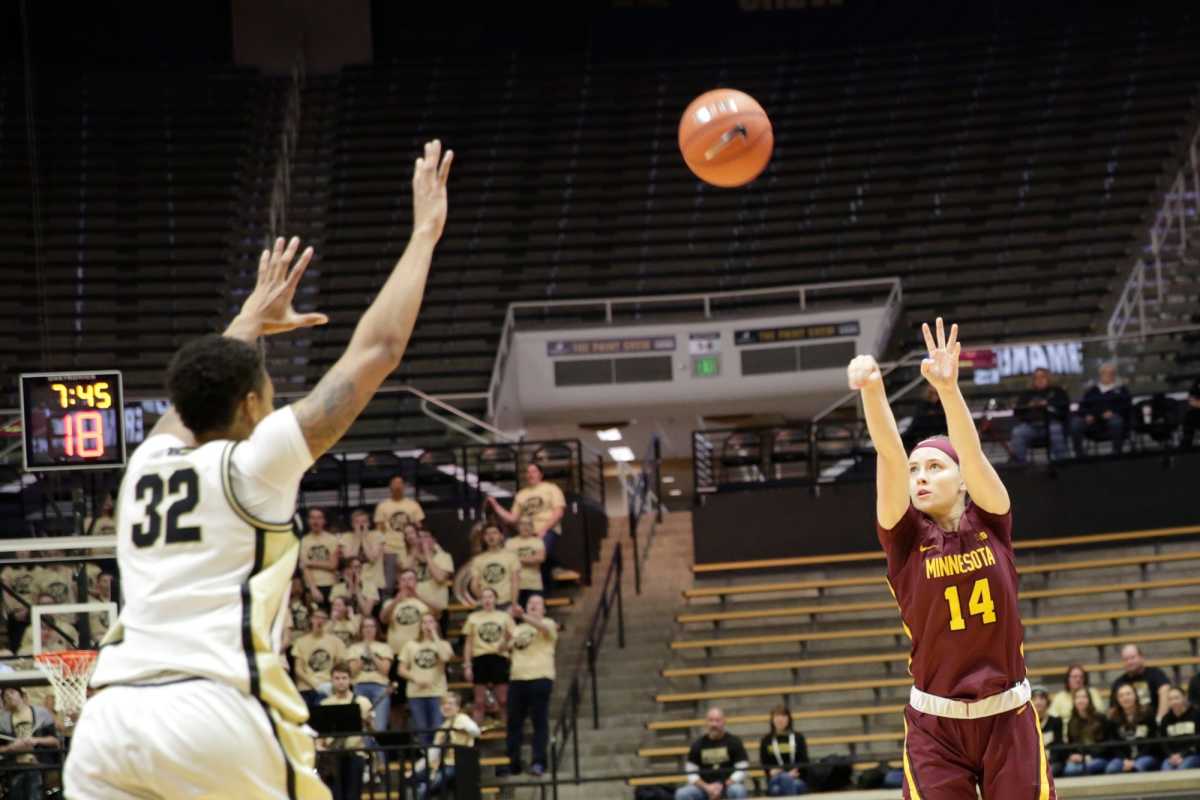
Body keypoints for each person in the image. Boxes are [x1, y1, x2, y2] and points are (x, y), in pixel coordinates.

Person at [66, 142, 452, 798]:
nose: (274, 396)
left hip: (109, 723)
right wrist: (424, 233)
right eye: (269, 387)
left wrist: (248, 318)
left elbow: (189, 402)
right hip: (214, 711)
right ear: (250, 405)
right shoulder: (256, 464)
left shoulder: (145, 466)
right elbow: (378, 350)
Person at [848, 317, 1055, 798]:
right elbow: (889, 455)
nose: (919, 476)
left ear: (962, 480)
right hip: (935, 725)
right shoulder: (903, 538)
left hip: (1008, 715)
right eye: (916, 469)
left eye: (935, 467)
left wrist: (947, 389)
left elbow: (972, 452)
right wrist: (873, 393)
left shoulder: (992, 520)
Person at [487, 463, 566, 592]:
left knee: (540, 553)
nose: (530, 474)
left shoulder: (551, 488)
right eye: (528, 472)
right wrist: (495, 505)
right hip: (526, 533)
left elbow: (559, 512)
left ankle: (545, 590)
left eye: (534, 471)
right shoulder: (521, 494)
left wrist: (544, 529)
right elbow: (512, 518)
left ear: (541, 474)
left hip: (548, 529)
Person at [506, 594, 558, 777]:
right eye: (530, 603)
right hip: (517, 678)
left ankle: (539, 762)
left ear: (544, 609)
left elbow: (542, 627)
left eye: (538, 603)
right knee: (513, 723)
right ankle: (513, 763)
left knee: (539, 721)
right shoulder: (518, 629)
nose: (533, 605)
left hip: (540, 677)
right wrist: (507, 621)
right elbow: (504, 647)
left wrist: (522, 616)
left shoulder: (549, 623)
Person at [317, 662, 374, 800]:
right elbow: (320, 736)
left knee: (353, 795)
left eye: (344, 678)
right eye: (337, 678)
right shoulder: (325, 704)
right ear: (331, 680)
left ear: (350, 680)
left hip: (355, 753)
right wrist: (320, 749)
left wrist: (368, 722)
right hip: (332, 756)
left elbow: (373, 731)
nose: (341, 682)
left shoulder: (362, 702)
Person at [462, 587, 515, 729]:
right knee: (479, 701)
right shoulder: (473, 618)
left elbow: (514, 638)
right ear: (480, 600)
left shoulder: (504, 617)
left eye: (490, 597)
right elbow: (468, 643)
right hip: (480, 658)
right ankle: (475, 733)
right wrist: (467, 665)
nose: (487, 600)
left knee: (503, 700)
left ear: (495, 599)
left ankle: (509, 729)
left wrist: (505, 646)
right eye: (484, 597)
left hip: (499, 658)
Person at [398, 613, 454, 746]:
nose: (427, 625)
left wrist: (434, 636)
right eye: (424, 622)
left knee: (438, 729)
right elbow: (401, 669)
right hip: (416, 693)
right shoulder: (410, 645)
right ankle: (426, 759)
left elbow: (445, 658)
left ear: (436, 624)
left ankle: (438, 761)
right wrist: (415, 678)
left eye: (430, 622)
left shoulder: (444, 644)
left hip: (437, 692)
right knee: (422, 731)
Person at [675, 707, 750, 800]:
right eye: (711, 720)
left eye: (717, 720)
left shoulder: (734, 742)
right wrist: (707, 787)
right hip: (704, 788)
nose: (714, 724)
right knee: (682, 794)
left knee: (739, 790)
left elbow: (742, 768)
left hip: (728, 786)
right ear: (706, 722)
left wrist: (724, 785)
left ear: (724, 721)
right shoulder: (697, 744)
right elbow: (691, 773)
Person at [0, 686, 59, 800]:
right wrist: (11, 748)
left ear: (22, 695)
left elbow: (55, 741)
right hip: (14, 768)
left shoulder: (41, 714)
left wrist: (36, 740)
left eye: (12, 693)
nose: (9, 697)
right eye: (5, 696)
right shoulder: (3, 722)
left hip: (38, 765)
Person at [417, 693, 480, 800]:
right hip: (443, 764)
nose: (446, 706)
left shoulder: (462, 718)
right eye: (444, 704)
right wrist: (417, 767)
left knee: (426, 787)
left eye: (450, 704)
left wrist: (464, 727)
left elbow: (475, 731)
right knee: (416, 778)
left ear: (457, 707)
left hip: (459, 764)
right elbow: (434, 751)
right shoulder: (443, 727)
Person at [1009, 367, 1070, 463]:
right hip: (1031, 426)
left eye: (1042, 377)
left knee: (1056, 430)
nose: (1039, 380)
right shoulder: (1027, 394)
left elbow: (1065, 410)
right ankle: (1020, 466)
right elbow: (1017, 412)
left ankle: (1062, 464)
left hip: (1051, 424)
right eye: (1036, 378)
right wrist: (1029, 406)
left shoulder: (1058, 392)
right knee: (1018, 432)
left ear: (1048, 378)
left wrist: (1048, 405)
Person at [1071, 362, 1131, 457]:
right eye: (1105, 373)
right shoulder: (1092, 391)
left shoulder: (1121, 390)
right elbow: (1082, 407)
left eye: (1111, 373)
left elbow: (1126, 406)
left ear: (1114, 375)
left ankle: (1117, 453)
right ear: (1100, 374)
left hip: (1112, 419)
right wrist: (1087, 415)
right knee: (1075, 423)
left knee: (1116, 421)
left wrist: (1113, 412)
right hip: (1093, 422)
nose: (1108, 375)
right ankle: (1079, 455)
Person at [291, 606, 347, 707]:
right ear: (311, 619)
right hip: (305, 688)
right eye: (317, 617)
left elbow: (339, 667)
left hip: (327, 687)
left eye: (323, 618)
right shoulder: (300, 641)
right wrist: (315, 684)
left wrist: (330, 684)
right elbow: (298, 669)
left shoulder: (336, 642)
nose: (319, 621)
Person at [347, 616, 393, 736]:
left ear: (376, 629)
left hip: (380, 688)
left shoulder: (384, 647)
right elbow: (352, 672)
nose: (368, 629)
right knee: (362, 727)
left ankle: (379, 755)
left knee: (379, 727)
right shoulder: (354, 648)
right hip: (359, 687)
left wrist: (371, 654)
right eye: (365, 626)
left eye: (371, 626)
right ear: (361, 629)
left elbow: (385, 670)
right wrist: (363, 655)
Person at [1102, 682, 1160, 773]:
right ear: (1117, 699)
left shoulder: (1147, 714)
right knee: (1111, 769)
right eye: (1121, 696)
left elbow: (1152, 741)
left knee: (1137, 767)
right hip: (1123, 758)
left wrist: (1135, 760)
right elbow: (1113, 744)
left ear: (1135, 696)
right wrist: (1125, 760)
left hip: (1146, 755)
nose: (1125, 698)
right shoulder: (1113, 718)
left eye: (1128, 694)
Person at [1110, 644, 1171, 721]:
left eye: (1132, 658)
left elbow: (1165, 690)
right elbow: (1113, 709)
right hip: (1128, 726)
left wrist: (1160, 720)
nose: (1129, 662)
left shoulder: (1155, 674)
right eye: (1126, 659)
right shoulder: (1118, 682)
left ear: (1141, 657)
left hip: (1153, 722)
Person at [758, 705, 809, 796]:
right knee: (780, 783)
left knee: (780, 788)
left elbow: (804, 760)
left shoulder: (798, 737)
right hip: (775, 779)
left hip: (796, 778)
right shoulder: (766, 740)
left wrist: (793, 773)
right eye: (777, 716)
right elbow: (765, 764)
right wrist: (771, 772)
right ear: (772, 720)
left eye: (783, 716)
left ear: (789, 719)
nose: (780, 719)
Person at [1063, 687, 1113, 776]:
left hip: (1100, 757)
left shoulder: (1101, 718)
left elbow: (1107, 743)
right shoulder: (1072, 721)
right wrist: (1072, 756)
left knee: (1089, 767)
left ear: (1089, 700)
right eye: (1077, 697)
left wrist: (1087, 757)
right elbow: (1071, 745)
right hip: (1080, 759)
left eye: (1084, 697)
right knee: (1069, 770)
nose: (1080, 700)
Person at [470, 524, 520, 609]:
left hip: (506, 602)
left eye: (494, 533)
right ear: (484, 538)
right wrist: (485, 599)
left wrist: (514, 603)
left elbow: (515, 582)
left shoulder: (511, 556)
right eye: (487, 534)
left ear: (501, 536)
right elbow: (474, 585)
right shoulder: (478, 559)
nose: (491, 536)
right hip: (487, 604)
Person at [301, 507, 341, 608]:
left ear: (324, 521)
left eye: (319, 518)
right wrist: (313, 588)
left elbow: (333, 565)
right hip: (311, 586)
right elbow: (304, 567)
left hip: (331, 584)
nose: (316, 521)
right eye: (313, 518)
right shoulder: (303, 541)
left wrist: (310, 562)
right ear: (308, 521)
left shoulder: (333, 539)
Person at [412, 528, 454, 621]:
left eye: (425, 537)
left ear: (433, 540)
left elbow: (440, 578)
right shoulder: (413, 558)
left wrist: (427, 554)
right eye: (419, 537)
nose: (422, 540)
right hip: (415, 609)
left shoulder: (444, 557)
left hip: (437, 611)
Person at [507, 520, 547, 609]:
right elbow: (508, 561)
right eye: (522, 524)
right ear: (517, 527)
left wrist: (517, 559)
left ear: (532, 527)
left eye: (528, 524)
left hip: (534, 584)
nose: (525, 527)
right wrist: (530, 559)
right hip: (515, 586)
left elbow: (540, 558)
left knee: (535, 613)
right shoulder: (510, 542)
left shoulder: (538, 541)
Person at [375, 475, 425, 544]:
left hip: (409, 543)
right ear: (390, 487)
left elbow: (419, 527)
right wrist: (381, 544)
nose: (397, 486)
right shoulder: (382, 506)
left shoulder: (414, 505)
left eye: (400, 483)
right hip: (389, 544)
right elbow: (379, 529)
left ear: (404, 486)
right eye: (395, 483)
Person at [1160, 685, 1200, 770]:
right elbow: (1163, 742)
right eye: (1170, 699)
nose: (1174, 702)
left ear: (1185, 698)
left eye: (1176, 698)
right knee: (1165, 767)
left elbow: (1197, 741)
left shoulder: (1196, 715)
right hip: (1172, 757)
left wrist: (1182, 755)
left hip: (1194, 755)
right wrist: (1171, 755)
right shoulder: (1165, 719)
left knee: (1183, 767)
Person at [1032, 688, 1065, 778]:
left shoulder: (1056, 721)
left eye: (1041, 699)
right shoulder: (1025, 723)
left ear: (1047, 702)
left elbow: (1059, 745)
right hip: (1033, 764)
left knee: (1050, 771)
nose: (1038, 702)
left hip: (1052, 762)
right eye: (1034, 699)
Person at [904, 386, 948, 453]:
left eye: (936, 393)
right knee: (906, 436)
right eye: (932, 393)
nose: (934, 396)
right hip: (923, 428)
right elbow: (917, 419)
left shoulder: (943, 403)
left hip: (940, 429)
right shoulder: (923, 403)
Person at [1181, 377, 1200, 450]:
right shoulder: (1196, 384)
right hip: (1196, 413)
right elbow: (1191, 401)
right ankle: (1186, 446)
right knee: (1190, 416)